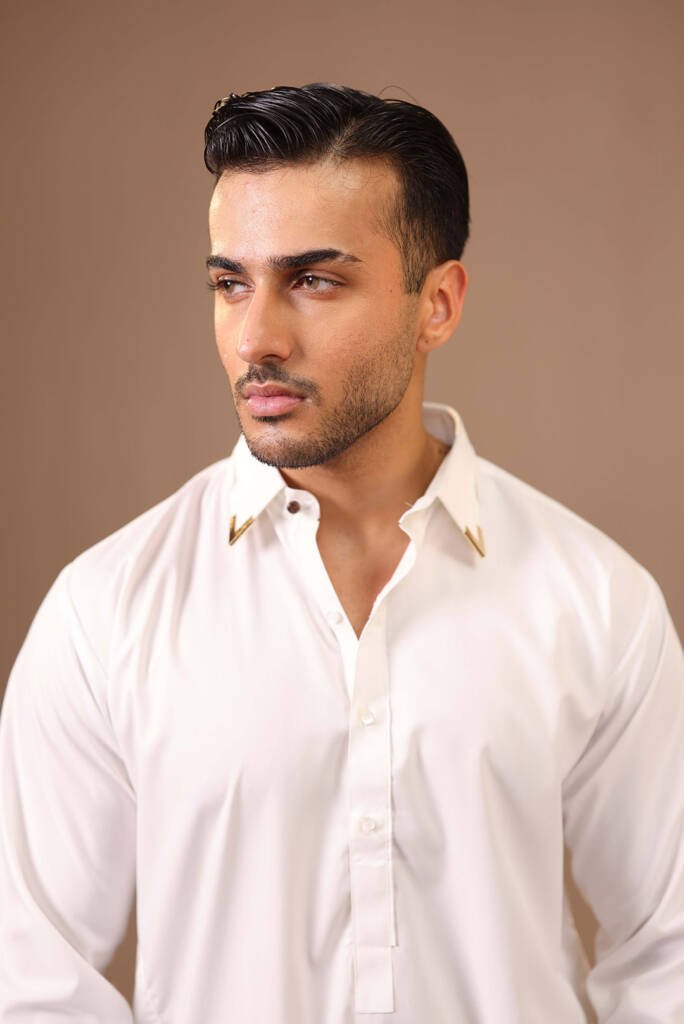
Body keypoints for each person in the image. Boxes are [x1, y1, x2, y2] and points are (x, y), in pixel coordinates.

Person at [0, 82, 682, 1023]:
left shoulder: (597, 601)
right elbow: (31, 978)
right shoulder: (105, 611)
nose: (256, 337)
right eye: (230, 283)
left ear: (436, 303)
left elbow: (669, 952)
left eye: (314, 281)